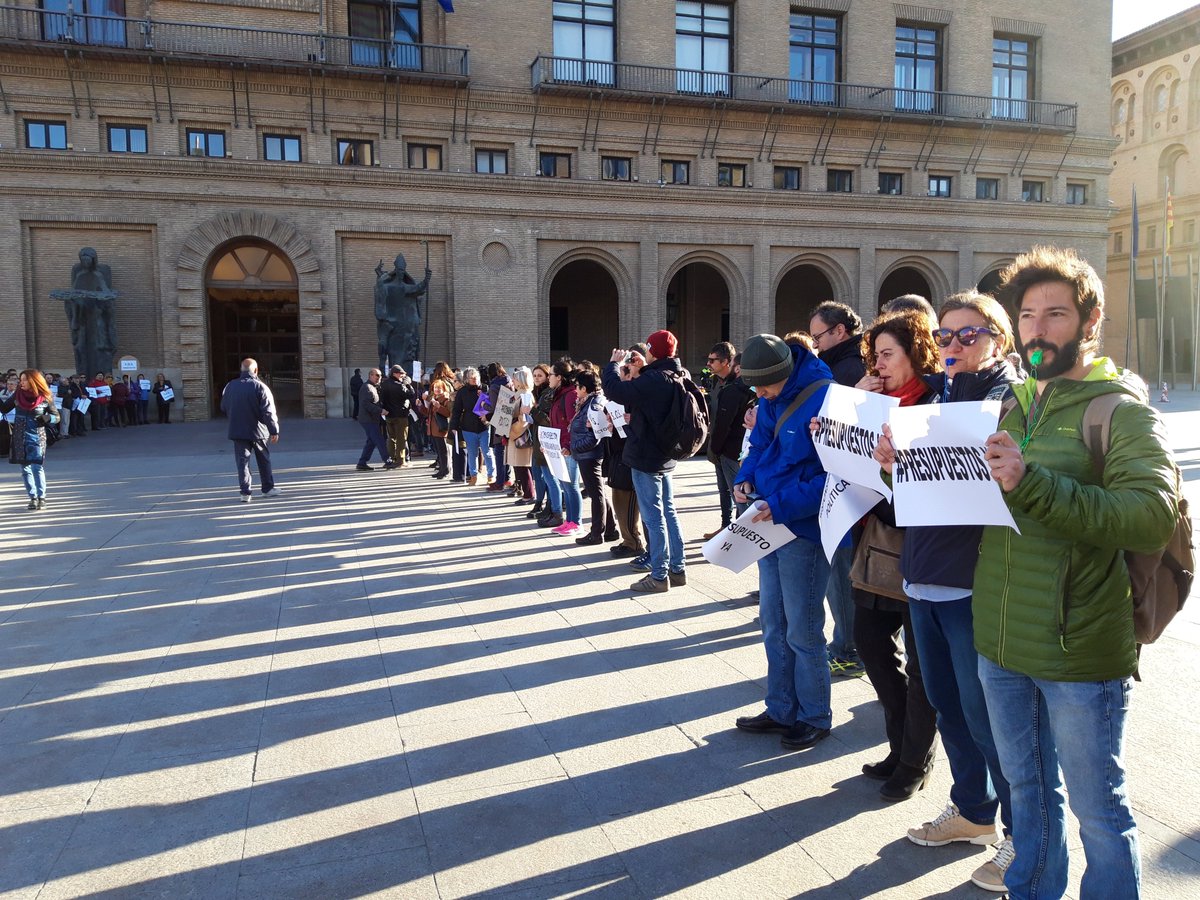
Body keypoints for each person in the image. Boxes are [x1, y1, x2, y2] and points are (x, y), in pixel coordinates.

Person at [975, 246, 1177, 900]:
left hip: (1078, 647)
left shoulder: (1119, 411)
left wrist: (1030, 484)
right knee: (1028, 793)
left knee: (1100, 811)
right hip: (1001, 642)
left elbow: (1149, 517)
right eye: (1027, 315)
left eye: (1055, 314)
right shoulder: (1012, 405)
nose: (1037, 328)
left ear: (1089, 322)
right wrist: (899, 467)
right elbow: (961, 499)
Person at [873, 292, 1022, 891]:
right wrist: (888, 464)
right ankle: (972, 811)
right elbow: (910, 497)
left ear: (999, 339)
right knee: (948, 704)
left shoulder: (1011, 400)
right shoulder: (939, 397)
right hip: (924, 572)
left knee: (990, 717)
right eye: (947, 336)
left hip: (971, 580)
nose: (954, 346)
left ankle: (1022, 836)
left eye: (970, 335)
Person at [731, 333, 836, 750]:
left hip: (801, 527)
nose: (759, 395)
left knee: (804, 629)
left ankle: (814, 715)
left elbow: (833, 477)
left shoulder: (825, 397)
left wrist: (781, 504)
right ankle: (780, 707)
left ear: (783, 372)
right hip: (769, 516)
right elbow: (759, 446)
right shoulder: (773, 396)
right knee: (773, 622)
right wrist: (744, 478)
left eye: (763, 387)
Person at [853, 310, 941, 801]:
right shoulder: (874, 403)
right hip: (877, 541)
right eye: (875, 356)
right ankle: (898, 743)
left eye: (888, 355)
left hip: (918, 545)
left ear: (916, 354)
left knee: (922, 663)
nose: (880, 365)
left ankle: (914, 759)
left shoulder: (930, 403)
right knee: (870, 644)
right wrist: (856, 405)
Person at [809, 300, 869, 679]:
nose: (816, 345)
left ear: (839, 331)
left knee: (842, 572)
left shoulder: (848, 369)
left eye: (819, 337)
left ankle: (847, 648)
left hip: (847, 486)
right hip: (846, 483)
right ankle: (851, 644)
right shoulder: (843, 366)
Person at [602, 330, 687, 593]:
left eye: (648, 349)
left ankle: (659, 575)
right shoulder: (676, 374)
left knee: (654, 517)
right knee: (669, 513)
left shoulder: (654, 379)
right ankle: (677, 568)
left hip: (647, 456)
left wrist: (613, 364)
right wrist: (642, 368)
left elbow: (616, 390)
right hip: (664, 454)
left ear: (654, 351)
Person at [703, 341, 754, 540]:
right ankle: (727, 526)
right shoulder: (718, 383)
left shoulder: (735, 389)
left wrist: (715, 448)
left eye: (712, 360)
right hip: (727, 448)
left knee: (737, 492)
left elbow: (725, 423)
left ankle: (740, 533)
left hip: (730, 449)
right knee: (725, 490)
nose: (708, 364)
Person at [220, 358, 281, 503]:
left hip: (237, 430)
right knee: (263, 460)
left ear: (241, 370)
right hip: (258, 431)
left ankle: (245, 493)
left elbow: (223, 407)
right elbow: (268, 412)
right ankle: (267, 488)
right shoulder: (260, 387)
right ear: (256, 370)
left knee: (242, 462)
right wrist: (274, 430)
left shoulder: (230, 386)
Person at [569, 367, 617, 546]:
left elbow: (594, 436)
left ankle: (596, 533)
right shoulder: (591, 401)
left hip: (589, 455)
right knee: (599, 492)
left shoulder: (594, 405)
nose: (575, 390)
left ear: (584, 388)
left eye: (577, 387)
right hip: (586, 454)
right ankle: (611, 529)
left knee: (596, 494)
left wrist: (575, 447)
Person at [2, 369, 58, 510]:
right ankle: (32, 498)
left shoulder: (45, 396)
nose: (21, 383)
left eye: (25, 379)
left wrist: (48, 418)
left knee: (36, 467)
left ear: (34, 380)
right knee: (25, 468)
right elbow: (4, 409)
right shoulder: (17, 395)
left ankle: (42, 497)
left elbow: (57, 416)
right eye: (20, 380)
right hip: (19, 436)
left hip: (37, 436)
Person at [530, 363, 565, 528]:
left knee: (551, 479)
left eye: (541, 375)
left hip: (548, 440)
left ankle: (556, 511)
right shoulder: (539, 392)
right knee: (545, 477)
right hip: (540, 440)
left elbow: (547, 419)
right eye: (535, 375)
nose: (537, 378)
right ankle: (550, 508)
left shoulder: (549, 393)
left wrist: (532, 410)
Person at [449, 367, 491, 485]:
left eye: (476, 377)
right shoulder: (462, 392)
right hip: (468, 427)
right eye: (472, 377)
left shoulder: (484, 388)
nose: (475, 379)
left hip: (483, 425)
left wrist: (483, 395)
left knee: (486, 452)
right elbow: (457, 410)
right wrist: (453, 426)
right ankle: (473, 476)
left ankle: (490, 475)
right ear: (466, 379)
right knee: (472, 453)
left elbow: (490, 404)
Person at [507, 366, 536, 505]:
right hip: (515, 435)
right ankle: (527, 492)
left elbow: (524, 420)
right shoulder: (518, 394)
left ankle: (529, 494)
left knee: (523, 467)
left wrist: (512, 431)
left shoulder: (526, 395)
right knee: (519, 467)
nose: (513, 380)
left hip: (520, 436)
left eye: (515, 378)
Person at [379, 364, 416, 468]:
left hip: (389, 415)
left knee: (391, 438)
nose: (402, 376)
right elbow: (411, 394)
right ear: (395, 373)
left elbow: (381, 398)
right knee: (401, 438)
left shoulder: (384, 384)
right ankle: (400, 461)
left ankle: (391, 458)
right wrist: (408, 384)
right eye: (401, 374)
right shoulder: (400, 386)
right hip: (400, 415)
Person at [355, 368, 392, 471]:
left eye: (380, 376)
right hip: (368, 419)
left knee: (371, 441)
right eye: (377, 375)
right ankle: (388, 461)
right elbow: (366, 404)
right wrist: (380, 410)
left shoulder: (373, 387)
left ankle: (362, 463)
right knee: (379, 440)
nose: (379, 378)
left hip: (372, 419)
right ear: (370, 375)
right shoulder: (366, 387)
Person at [426, 361, 455, 479]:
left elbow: (433, 399)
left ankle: (445, 469)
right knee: (444, 447)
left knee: (442, 447)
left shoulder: (438, 383)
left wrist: (429, 398)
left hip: (438, 419)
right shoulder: (450, 383)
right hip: (445, 418)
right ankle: (445, 468)